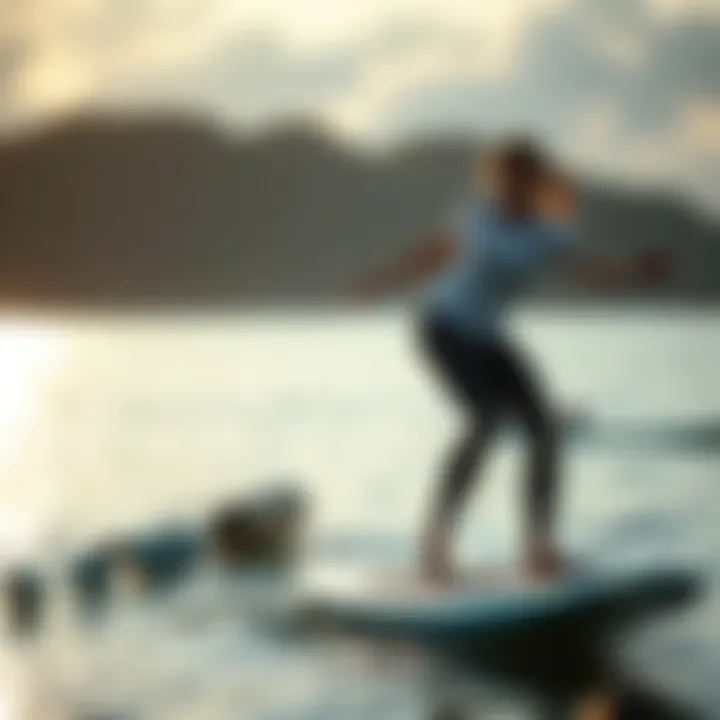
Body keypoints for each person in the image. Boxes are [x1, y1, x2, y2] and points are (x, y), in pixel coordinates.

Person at [350, 138, 673, 583]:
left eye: (522, 178)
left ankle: (538, 548)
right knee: (484, 419)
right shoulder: (476, 218)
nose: (510, 187)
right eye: (503, 178)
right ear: (495, 179)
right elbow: (430, 256)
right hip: (443, 327)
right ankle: (435, 546)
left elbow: (593, 274)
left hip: (486, 336)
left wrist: (638, 274)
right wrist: (381, 282)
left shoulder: (547, 235)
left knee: (544, 430)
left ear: (535, 182)